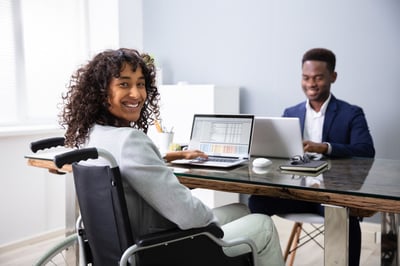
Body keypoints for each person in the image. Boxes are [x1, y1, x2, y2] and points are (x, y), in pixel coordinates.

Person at [59, 48, 284, 265]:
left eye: (140, 84)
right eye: (124, 84)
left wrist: (168, 157)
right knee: (262, 224)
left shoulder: (92, 137)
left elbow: (132, 168)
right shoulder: (130, 141)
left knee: (241, 210)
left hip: (124, 249)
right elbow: (188, 216)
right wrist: (213, 229)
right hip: (158, 250)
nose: (136, 94)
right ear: (101, 93)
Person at [249, 48, 375, 266]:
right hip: (294, 192)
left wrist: (325, 148)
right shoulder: (290, 112)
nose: (311, 84)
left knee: (344, 215)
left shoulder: (351, 113)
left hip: (330, 195)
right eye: (306, 78)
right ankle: (263, 261)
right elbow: (279, 153)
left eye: (318, 78)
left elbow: (366, 150)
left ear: (333, 77)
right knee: (256, 202)